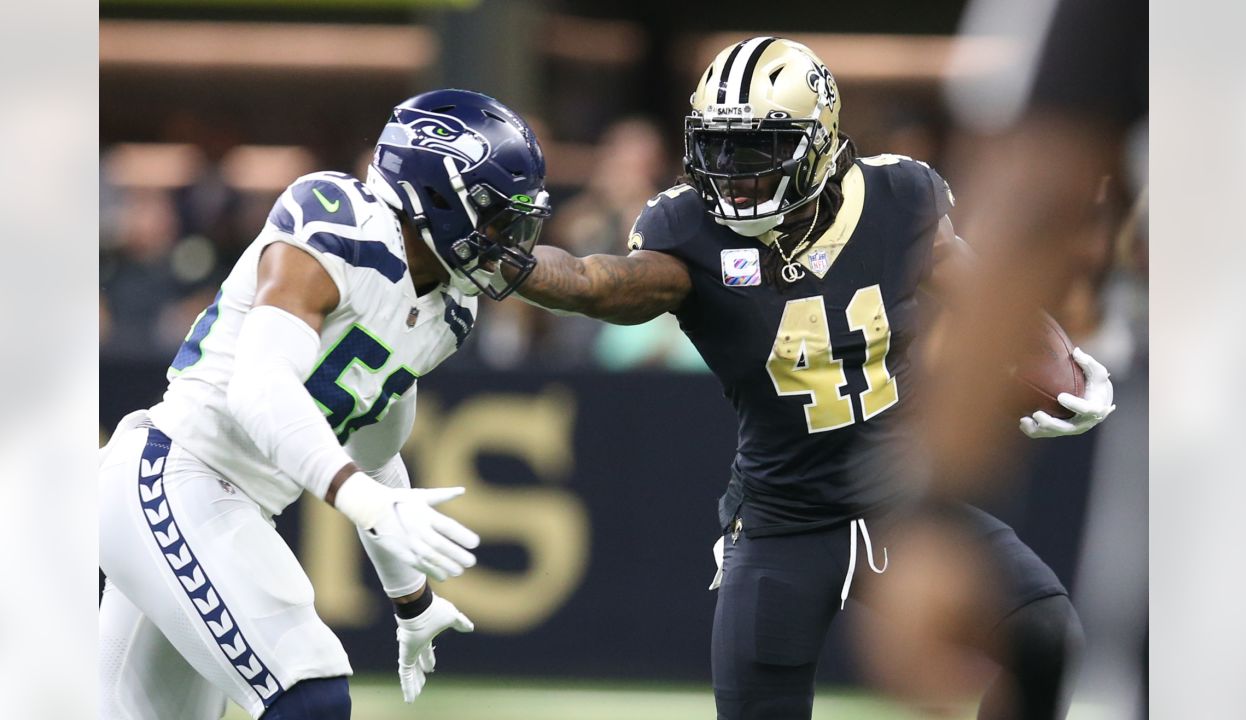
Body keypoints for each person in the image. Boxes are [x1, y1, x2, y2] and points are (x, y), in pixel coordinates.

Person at [507, 38, 1114, 719]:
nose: (732, 172)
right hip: (782, 522)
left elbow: (983, 293)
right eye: (718, 145)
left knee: (1048, 633)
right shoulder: (689, 231)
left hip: (902, 504)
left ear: (818, 143)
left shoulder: (897, 197)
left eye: (757, 148)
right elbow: (598, 284)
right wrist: (512, 263)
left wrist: (1057, 359)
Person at [98, 89, 552, 719]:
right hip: (174, 474)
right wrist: (366, 502)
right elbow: (259, 386)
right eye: (497, 217)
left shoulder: (450, 311)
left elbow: (374, 452)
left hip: (225, 507)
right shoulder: (338, 219)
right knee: (308, 691)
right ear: (438, 195)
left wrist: (411, 599)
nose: (509, 240)